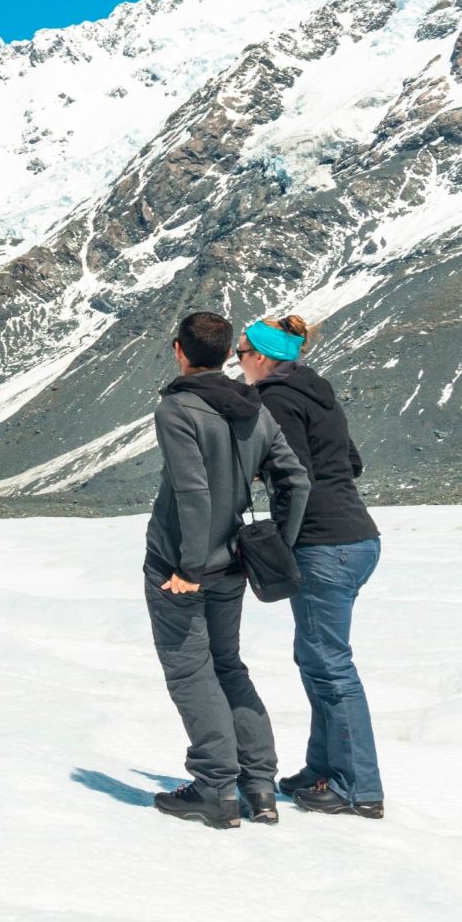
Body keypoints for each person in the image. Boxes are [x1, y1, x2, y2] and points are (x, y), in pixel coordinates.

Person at [144, 311, 310, 828]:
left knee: (191, 669)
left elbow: (192, 490)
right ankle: (258, 785)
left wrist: (189, 566)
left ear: (179, 350)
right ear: (225, 355)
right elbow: (296, 482)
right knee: (228, 665)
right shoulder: (253, 409)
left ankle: (215, 789)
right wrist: (278, 543)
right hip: (233, 561)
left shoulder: (179, 408)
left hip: (181, 565)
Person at [238, 314, 386, 819]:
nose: (239, 365)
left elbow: (293, 478)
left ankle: (356, 786)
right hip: (358, 539)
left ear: (261, 357)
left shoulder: (273, 398)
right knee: (318, 659)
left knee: (331, 667)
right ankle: (322, 768)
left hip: (324, 546)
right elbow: (352, 463)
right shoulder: (317, 391)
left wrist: (283, 537)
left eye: (241, 355)